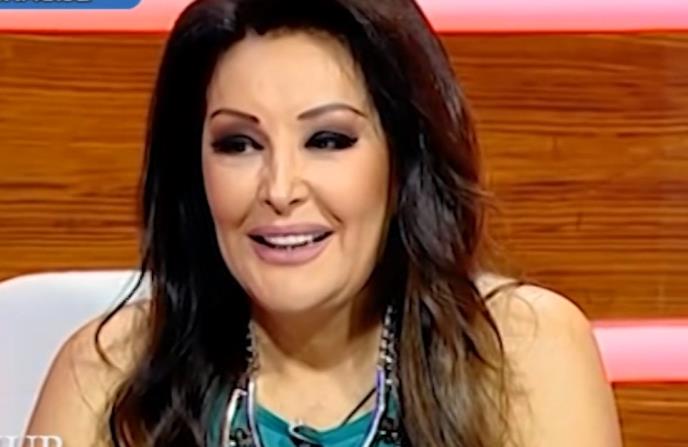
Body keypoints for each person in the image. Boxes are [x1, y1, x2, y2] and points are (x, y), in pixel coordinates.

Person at [25, 0, 623, 445]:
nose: (280, 189)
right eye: (238, 144)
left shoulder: (520, 354)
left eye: (328, 140)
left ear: (403, 160)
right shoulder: (106, 376)